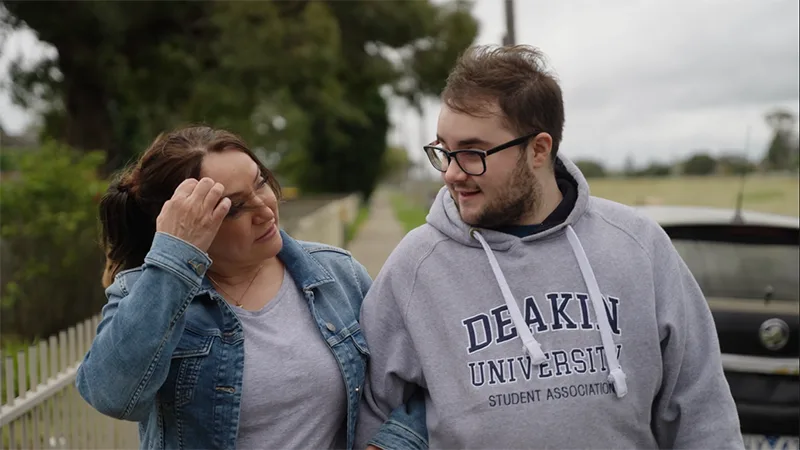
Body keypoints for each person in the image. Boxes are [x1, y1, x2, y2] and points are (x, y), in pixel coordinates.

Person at [355, 45, 745, 449]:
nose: (452, 174)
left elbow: (702, 414)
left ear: (539, 149)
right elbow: (372, 417)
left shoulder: (639, 247)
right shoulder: (415, 267)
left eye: (472, 153)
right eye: (444, 151)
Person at [75, 125, 426, 450]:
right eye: (234, 207)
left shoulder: (337, 275)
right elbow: (112, 396)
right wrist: (175, 256)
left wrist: (389, 444)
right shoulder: (147, 293)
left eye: (260, 183)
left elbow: (420, 380)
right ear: (186, 222)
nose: (265, 209)